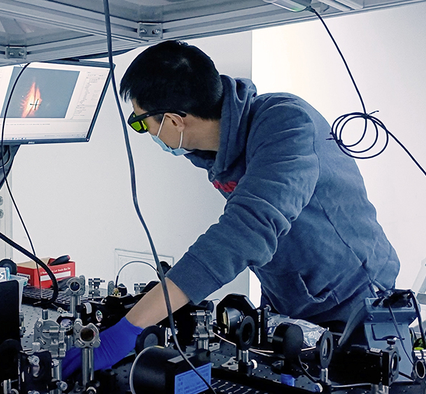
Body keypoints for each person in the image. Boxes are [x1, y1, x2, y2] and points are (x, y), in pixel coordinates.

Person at [62, 40, 399, 377]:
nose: (145, 132)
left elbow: (244, 232)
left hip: (354, 304)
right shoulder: (218, 148)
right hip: (287, 304)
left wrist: (128, 329)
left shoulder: (287, 125)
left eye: (140, 123)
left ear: (175, 121)